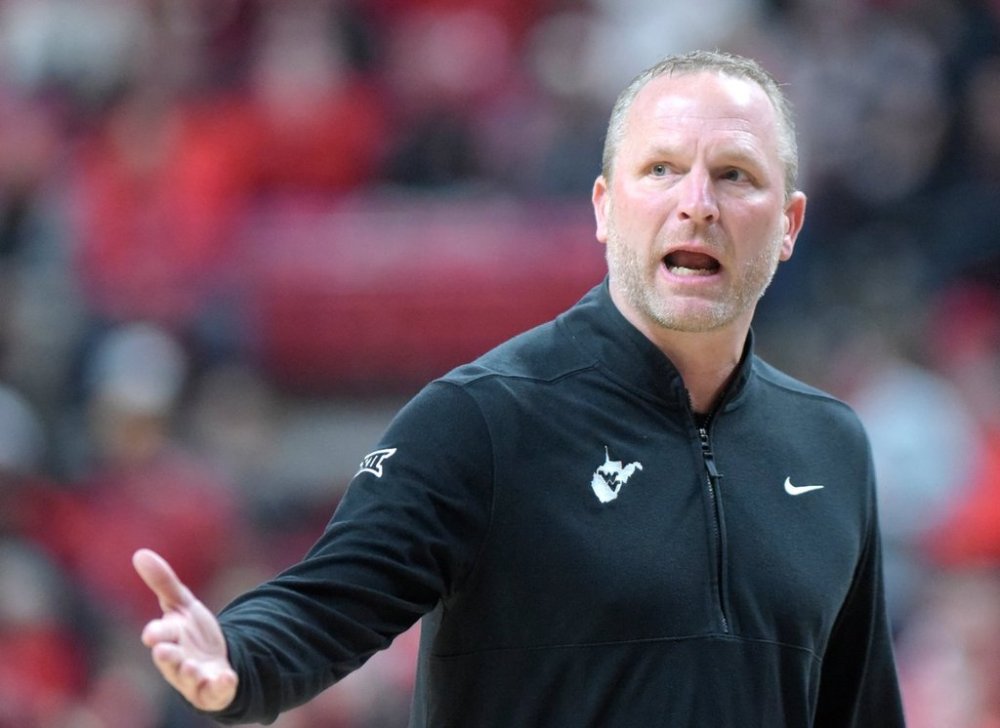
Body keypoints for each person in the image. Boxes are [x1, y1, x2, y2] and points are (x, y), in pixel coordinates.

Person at [133, 49, 906, 726]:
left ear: (791, 225)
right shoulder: (484, 419)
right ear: (605, 208)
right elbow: (329, 598)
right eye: (662, 169)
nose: (696, 203)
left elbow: (858, 708)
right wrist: (238, 656)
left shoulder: (830, 447)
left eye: (735, 176)